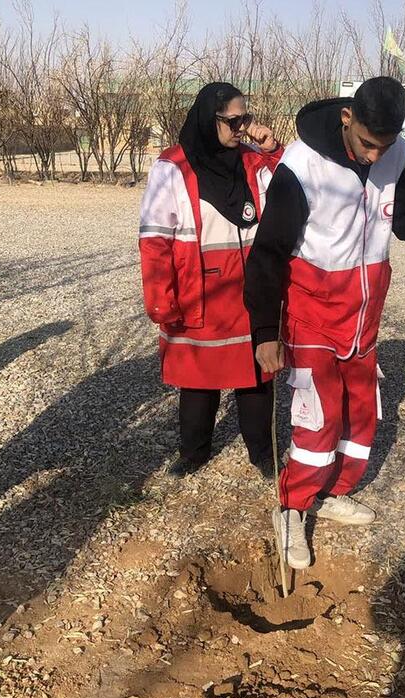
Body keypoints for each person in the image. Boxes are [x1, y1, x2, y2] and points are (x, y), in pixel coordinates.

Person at [244, 77, 405, 569]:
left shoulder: (397, 154)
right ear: (348, 117)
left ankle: (333, 490)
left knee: (361, 416)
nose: (374, 157)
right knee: (317, 420)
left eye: (383, 147)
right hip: (312, 313)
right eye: (368, 144)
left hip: (365, 317)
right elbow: (267, 254)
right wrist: (264, 333)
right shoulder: (302, 166)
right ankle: (291, 506)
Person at [139, 83, 283, 479]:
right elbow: (154, 240)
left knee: (256, 376)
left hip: (249, 291)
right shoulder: (172, 167)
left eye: (245, 120)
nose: (242, 129)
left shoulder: (254, 161)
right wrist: (160, 300)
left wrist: (272, 150)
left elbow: (292, 188)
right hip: (199, 291)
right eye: (233, 121)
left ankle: (262, 452)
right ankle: (194, 452)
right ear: (209, 118)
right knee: (198, 380)